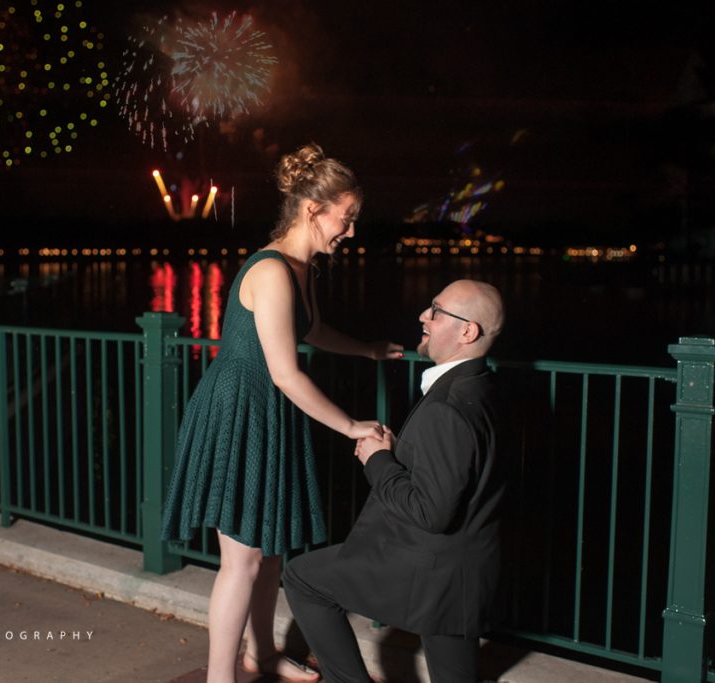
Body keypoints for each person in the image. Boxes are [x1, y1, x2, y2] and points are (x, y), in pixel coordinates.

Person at [161, 143, 403, 683]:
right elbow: (286, 373)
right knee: (242, 561)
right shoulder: (270, 271)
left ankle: (261, 655)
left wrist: (366, 349)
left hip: (269, 415)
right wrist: (351, 426)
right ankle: (221, 679)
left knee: (269, 552)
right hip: (238, 414)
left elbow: (309, 331)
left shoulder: (303, 269)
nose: (352, 231)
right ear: (313, 210)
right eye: (347, 218)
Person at [283, 279, 507, 683]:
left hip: (428, 568)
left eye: (436, 311)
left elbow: (431, 511)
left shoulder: (448, 407)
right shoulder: (484, 386)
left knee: (302, 578)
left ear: (467, 331)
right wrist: (402, 452)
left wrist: (379, 460)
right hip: (467, 571)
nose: (423, 315)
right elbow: (463, 469)